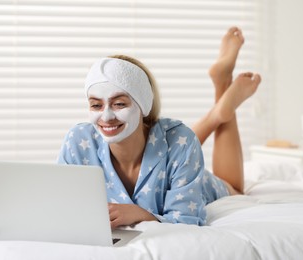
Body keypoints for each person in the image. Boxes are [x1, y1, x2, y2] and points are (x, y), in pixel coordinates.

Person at [57, 27, 261, 229]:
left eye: (120, 104)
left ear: (144, 104)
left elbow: (186, 220)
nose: (107, 116)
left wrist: (140, 214)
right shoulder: (79, 140)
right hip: (173, 152)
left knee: (234, 188)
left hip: (188, 177)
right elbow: (59, 205)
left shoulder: (181, 142)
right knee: (175, 142)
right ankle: (216, 114)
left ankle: (222, 87)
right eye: (95, 105)